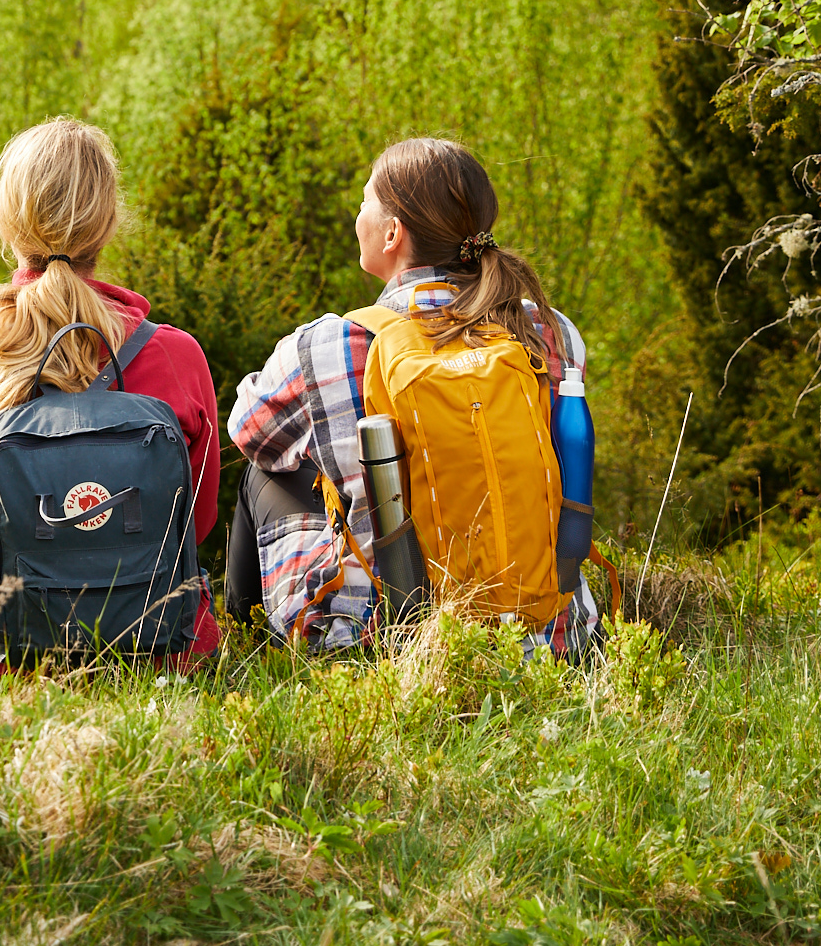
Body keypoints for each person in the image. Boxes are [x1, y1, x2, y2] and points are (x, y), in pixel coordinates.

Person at [225, 136, 599, 653]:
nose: (357, 214)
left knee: (265, 469)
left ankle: (241, 650)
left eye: (364, 202)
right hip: (554, 639)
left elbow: (248, 430)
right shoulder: (548, 331)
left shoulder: (328, 344)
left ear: (391, 233)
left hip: (388, 644)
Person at [0, 117, 223, 666]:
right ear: (108, 224)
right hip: (162, 653)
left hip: (13, 660)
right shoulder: (179, 357)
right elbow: (196, 522)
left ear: (6, 224)